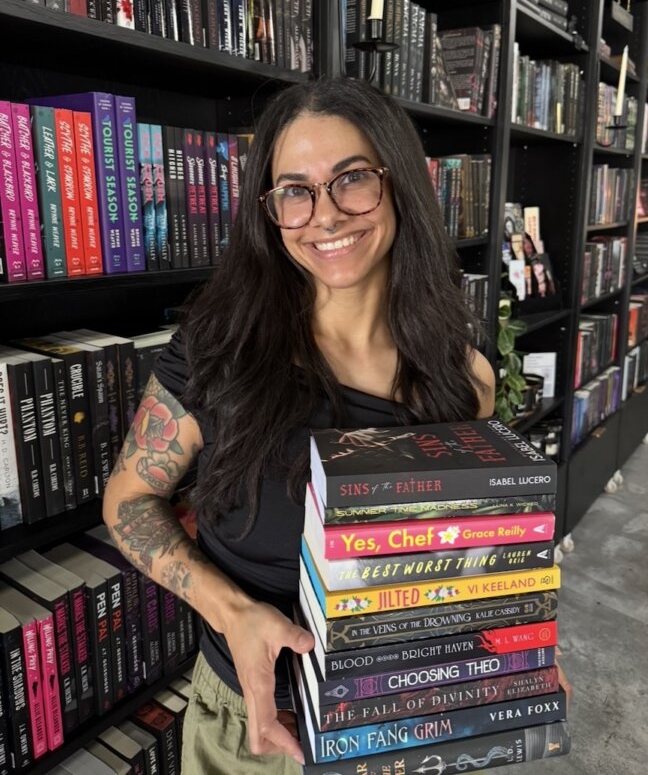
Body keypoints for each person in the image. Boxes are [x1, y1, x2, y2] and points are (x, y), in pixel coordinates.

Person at [102, 77, 496, 774]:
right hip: (256, 728)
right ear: (271, 209)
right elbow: (129, 501)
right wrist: (232, 612)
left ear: (397, 181)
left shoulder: (463, 378)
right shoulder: (218, 350)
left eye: (352, 180)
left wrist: (512, 655)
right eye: (295, 190)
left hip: (409, 718)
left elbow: (466, 553)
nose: (325, 216)